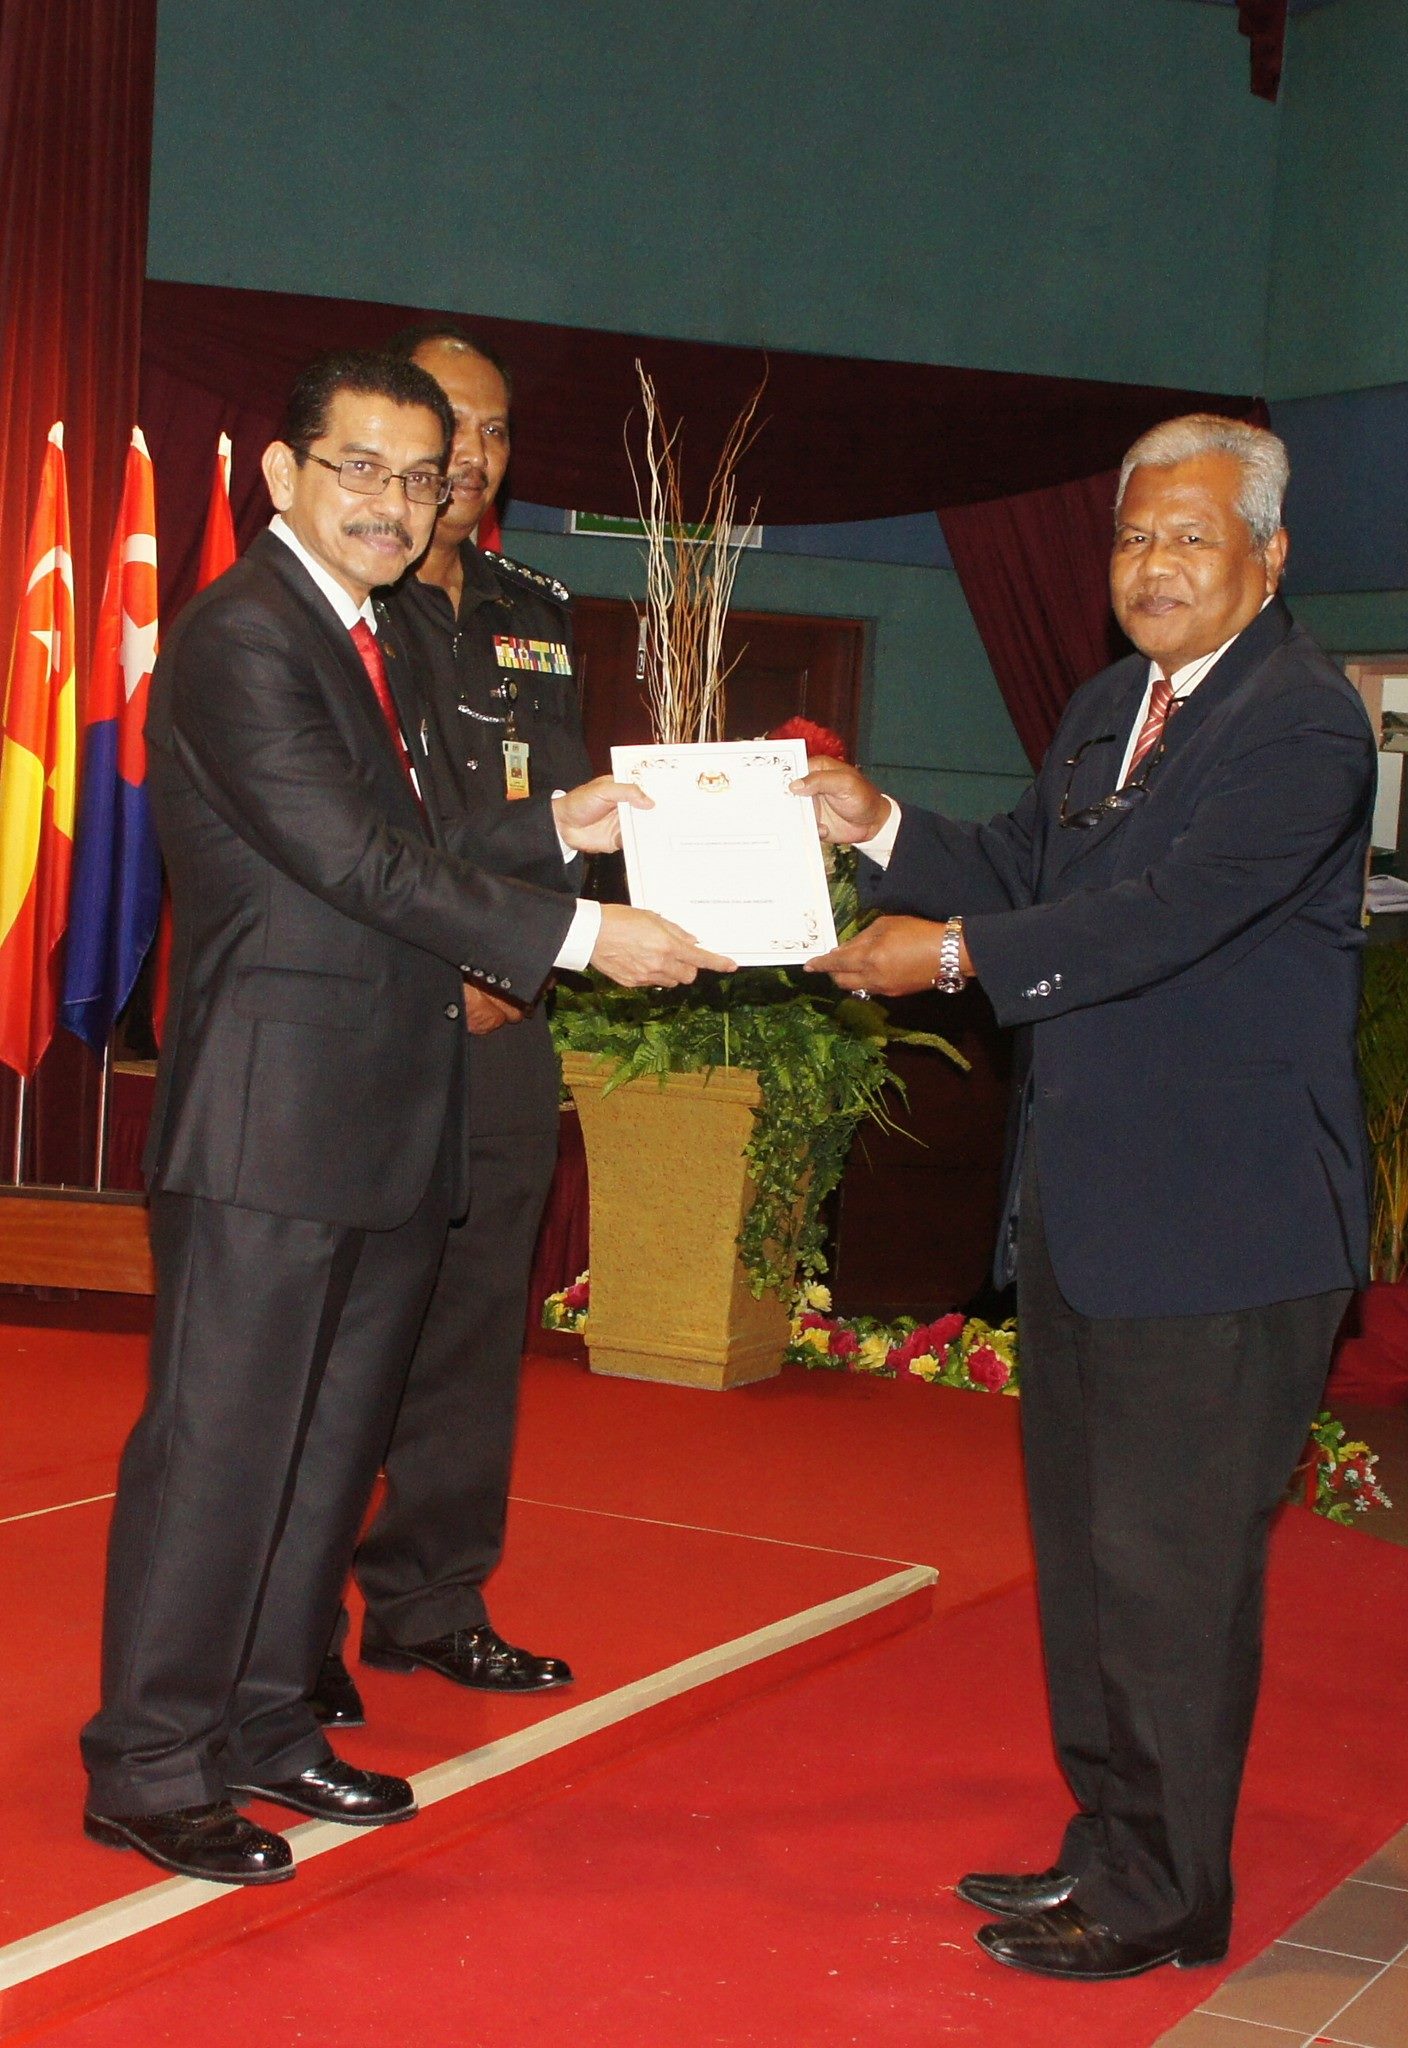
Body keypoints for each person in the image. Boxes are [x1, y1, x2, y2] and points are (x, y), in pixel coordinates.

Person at [81, 350, 729, 1887]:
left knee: (325, 1453)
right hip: (272, 1124)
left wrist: (560, 821)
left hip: (384, 1114)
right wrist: (584, 934)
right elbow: (350, 862)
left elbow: (413, 837)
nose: (393, 502)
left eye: (420, 477)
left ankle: (262, 1721)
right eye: (359, 468)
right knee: (224, 1451)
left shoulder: (363, 634)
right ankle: (151, 1761)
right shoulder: (244, 635)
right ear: (284, 474)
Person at [801, 415, 1375, 1981]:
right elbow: (1025, 866)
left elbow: (1165, 916)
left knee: (1172, 1571)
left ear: (1268, 556)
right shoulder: (1112, 703)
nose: (1153, 566)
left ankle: (1170, 1889)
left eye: (1190, 537)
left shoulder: (1303, 721)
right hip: (1087, 1211)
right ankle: (1111, 1839)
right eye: (1132, 537)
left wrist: (952, 957)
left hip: (1226, 1227)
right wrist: (879, 827)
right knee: (1092, 1555)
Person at [310, 324, 590, 1722]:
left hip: (508, 1019)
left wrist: (527, 960)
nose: (471, 456)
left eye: (493, 432)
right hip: (383, 1015)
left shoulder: (538, 604)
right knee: (344, 1334)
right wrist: (457, 961)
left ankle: (431, 1601)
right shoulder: (347, 608)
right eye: (447, 429)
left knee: (478, 1326)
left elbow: (569, 813)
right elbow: (356, 840)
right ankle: (293, 1624)